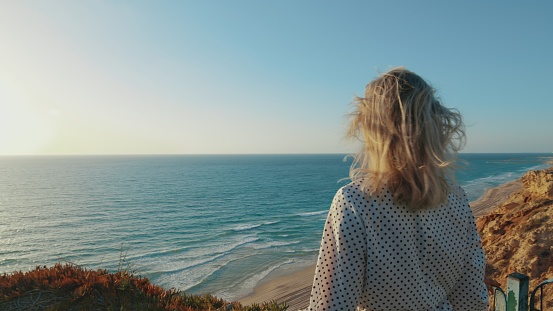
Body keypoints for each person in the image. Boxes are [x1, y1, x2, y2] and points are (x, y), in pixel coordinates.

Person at [308, 67, 488, 310]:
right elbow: (472, 298)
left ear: (373, 128)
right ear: (434, 124)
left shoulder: (355, 203)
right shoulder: (455, 198)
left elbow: (330, 306)